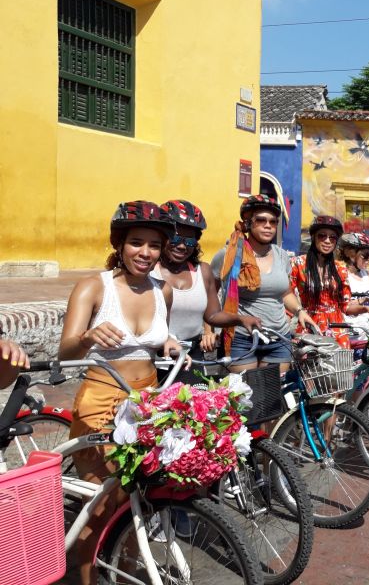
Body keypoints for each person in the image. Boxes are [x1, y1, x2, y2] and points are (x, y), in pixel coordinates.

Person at [58, 201, 182, 585]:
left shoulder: (165, 290)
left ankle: (125, 572)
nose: (145, 253)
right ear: (120, 244)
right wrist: (87, 336)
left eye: (154, 245)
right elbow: (64, 353)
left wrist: (170, 341)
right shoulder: (95, 286)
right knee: (100, 509)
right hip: (100, 401)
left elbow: (156, 338)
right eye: (136, 243)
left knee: (138, 502)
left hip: (147, 403)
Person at [153, 199, 261, 382]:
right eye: (176, 237)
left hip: (190, 357)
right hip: (155, 358)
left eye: (190, 240)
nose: (182, 246)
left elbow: (212, 315)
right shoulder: (148, 271)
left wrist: (241, 319)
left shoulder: (202, 271)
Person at [210, 195, 314, 373]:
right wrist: (208, 330)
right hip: (242, 337)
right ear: (248, 223)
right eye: (261, 220)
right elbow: (210, 292)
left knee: (273, 396)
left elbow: (285, 292)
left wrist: (300, 310)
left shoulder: (281, 255)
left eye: (273, 222)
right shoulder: (229, 255)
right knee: (244, 397)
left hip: (278, 337)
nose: (268, 226)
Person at [290, 216, 352, 346]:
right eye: (322, 236)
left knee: (341, 365)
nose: (327, 241)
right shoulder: (299, 264)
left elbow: (345, 305)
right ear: (313, 237)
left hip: (337, 330)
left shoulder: (340, 268)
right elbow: (286, 295)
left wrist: (366, 308)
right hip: (310, 326)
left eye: (332, 237)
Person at [339, 232, 369, 357]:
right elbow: (343, 305)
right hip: (346, 333)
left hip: (364, 333)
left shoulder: (366, 274)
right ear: (350, 253)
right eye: (366, 255)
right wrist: (364, 299)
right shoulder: (341, 274)